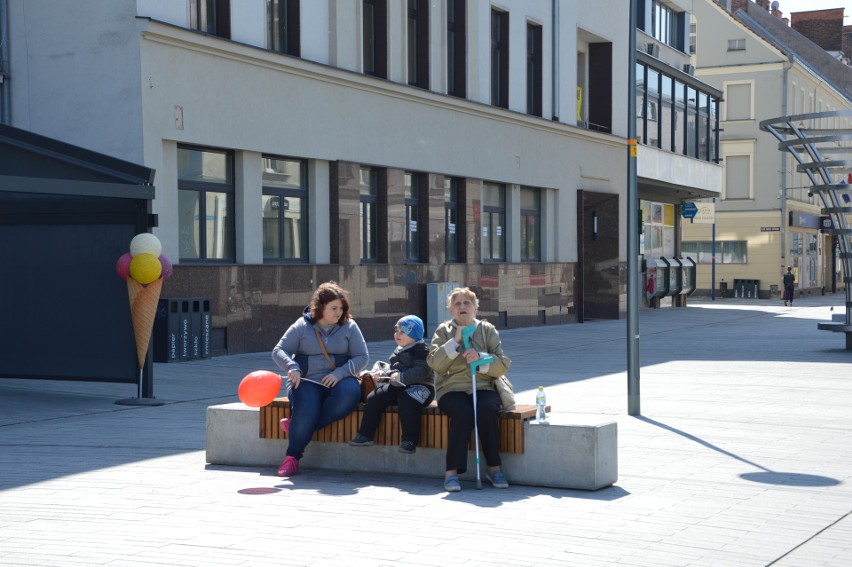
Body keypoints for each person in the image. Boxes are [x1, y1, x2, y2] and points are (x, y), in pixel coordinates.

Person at [271, 281, 368, 477]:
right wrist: (292, 367)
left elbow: (362, 357)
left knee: (349, 393)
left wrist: (339, 373)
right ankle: (292, 458)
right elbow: (279, 350)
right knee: (306, 408)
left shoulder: (350, 326)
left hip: (340, 379)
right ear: (320, 307)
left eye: (341, 308)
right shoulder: (302, 325)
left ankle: (298, 426)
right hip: (307, 381)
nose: (338, 312)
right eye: (333, 308)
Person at [427, 287, 511, 492]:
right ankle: (451, 473)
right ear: (450, 310)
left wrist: (481, 359)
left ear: (475, 307)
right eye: (457, 304)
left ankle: (494, 468)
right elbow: (435, 364)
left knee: (486, 409)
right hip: (451, 388)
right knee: (463, 413)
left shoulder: (487, 330)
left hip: (482, 385)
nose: (462, 307)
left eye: (467, 303)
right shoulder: (443, 330)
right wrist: (454, 342)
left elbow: (502, 364)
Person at [349, 315, 435, 453]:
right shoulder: (400, 349)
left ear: (415, 334)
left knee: (407, 402)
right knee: (373, 398)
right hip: (399, 385)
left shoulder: (422, 350)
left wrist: (401, 376)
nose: (397, 335)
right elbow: (394, 368)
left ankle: (409, 440)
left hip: (421, 387)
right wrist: (384, 374)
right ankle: (365, 434)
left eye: (402, 332)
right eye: (396, 331)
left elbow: (422, 371)